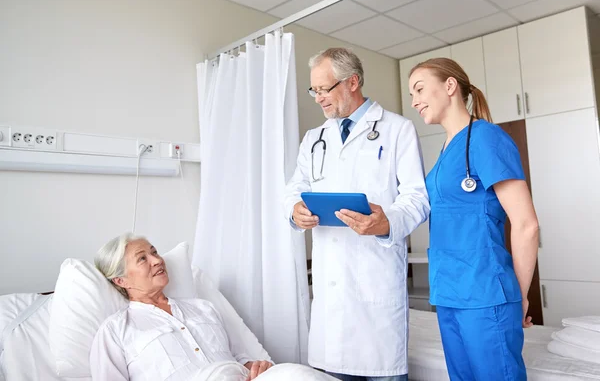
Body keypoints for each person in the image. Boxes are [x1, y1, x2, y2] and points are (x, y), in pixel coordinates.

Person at [284, 48, 430, 381]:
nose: (318, 98)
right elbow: (294, 189)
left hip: (375, 286)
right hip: (331, 294)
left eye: (325, 89)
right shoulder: (314, 139)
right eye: (315, 90)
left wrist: (387, 222)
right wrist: (295, 211)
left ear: (353, 82)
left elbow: (417, 198)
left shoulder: (397, 130)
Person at [408, 58, 540, 381]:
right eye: (412, 94)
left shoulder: (485, 138)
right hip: (449, 295)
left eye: (420, 89)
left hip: (484, 295)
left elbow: (526, 224)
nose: (414, 102)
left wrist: (518, 297)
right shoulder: (445, 151)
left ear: (450, 86)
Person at [90, 233, 274, 381]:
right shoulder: (115, 331)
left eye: (154, 252)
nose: (157, 260)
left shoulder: (204, 309)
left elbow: (240, 359)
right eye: (142, 259)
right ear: (121, 280)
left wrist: (259, 368)